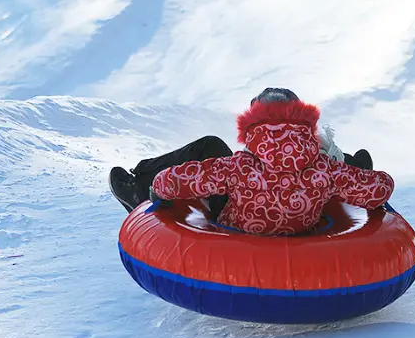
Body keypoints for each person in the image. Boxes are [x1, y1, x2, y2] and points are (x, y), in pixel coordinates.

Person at [109, 88, 391, 237]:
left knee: (210, 145)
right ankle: (357, 168)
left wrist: (158, 186)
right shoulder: (324, 168)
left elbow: (174, 181)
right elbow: (382, 188)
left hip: (240, 228)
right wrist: (359, 179)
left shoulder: (238, 167)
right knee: (329, 169)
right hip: (302, 223)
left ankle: (138, 187)